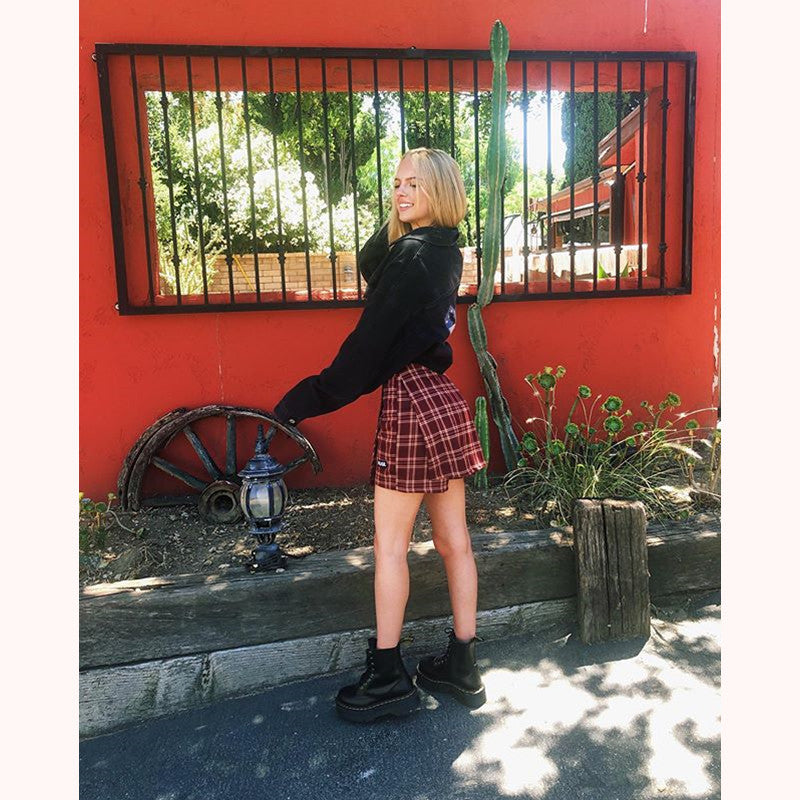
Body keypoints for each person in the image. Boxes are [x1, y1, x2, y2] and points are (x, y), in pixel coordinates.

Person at [273, 147, 488, 723]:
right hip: (442, 400)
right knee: (455, 542)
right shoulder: (445, 249)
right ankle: (463, 666)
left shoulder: (413, 255)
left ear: (439, 189)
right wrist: (400, 215)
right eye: (396, 183)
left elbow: (365, 350)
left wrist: (305, 399)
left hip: (410, 404)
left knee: (390, 547)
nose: (399, 192)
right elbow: (378, 266)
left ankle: (389, 676)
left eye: (414, 184)